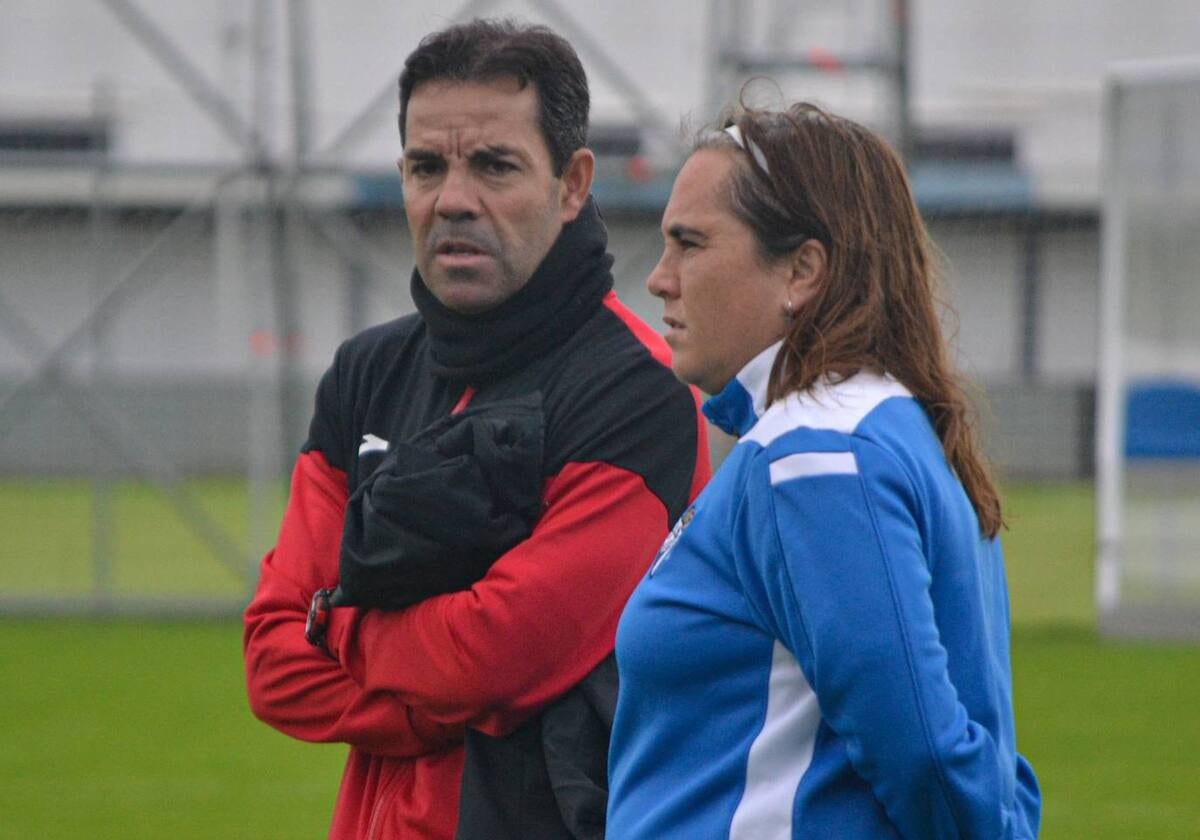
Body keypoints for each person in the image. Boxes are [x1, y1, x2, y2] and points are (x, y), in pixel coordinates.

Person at [243, 19, 710, 840]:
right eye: (427, 167)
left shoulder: (639, 394)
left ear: (572, 184)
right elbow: (273, 663)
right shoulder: (366, 373)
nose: (452, 199)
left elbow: (492, 653)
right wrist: (437, 712)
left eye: (494, 165)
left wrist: (342, 625)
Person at [608, 102, 1041, 839]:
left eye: (690, 244)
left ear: (802, 271)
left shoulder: (819, 453)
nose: (659, 279)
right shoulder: (878, 428)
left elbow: (930, 756)